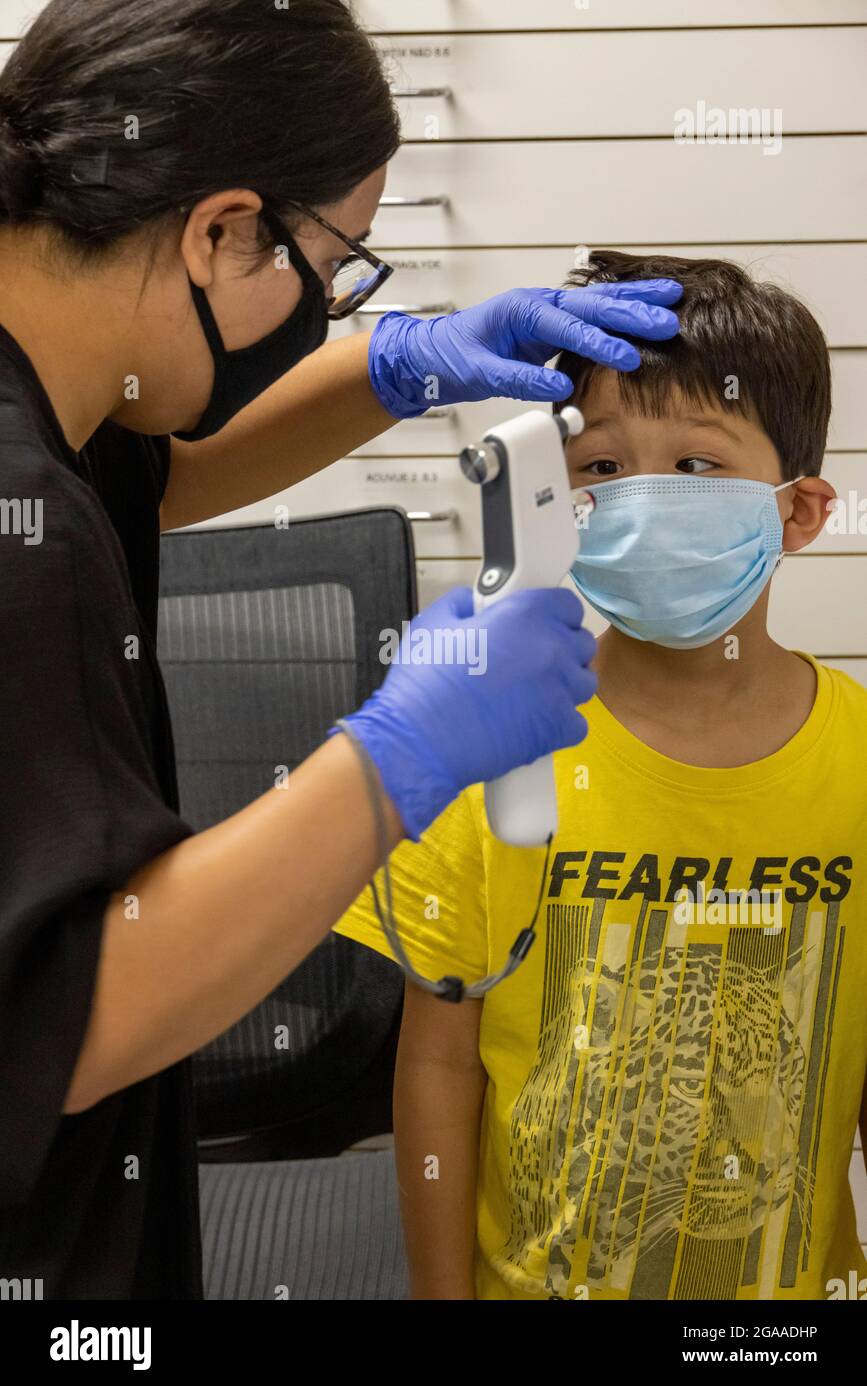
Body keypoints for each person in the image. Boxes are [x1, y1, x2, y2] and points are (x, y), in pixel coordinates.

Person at [0, 2, 684, 1298]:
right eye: (331, 268)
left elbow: (155, 470)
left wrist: (401, 367)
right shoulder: (20, 529)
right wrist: (398, 755)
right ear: (221, 229)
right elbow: (68, 1022)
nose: (327, 312)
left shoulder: (53, 400)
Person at [334, 250, 867, 1301]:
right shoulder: (488, 744)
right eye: (602, 466)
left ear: (799, 512)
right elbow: (438, 1062)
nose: (643, 501)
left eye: (697, 465)